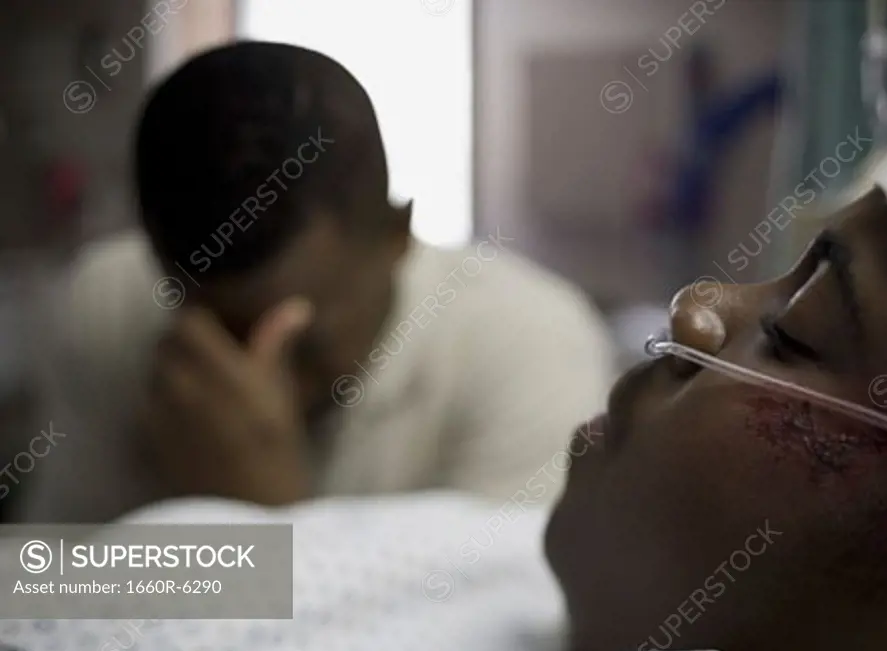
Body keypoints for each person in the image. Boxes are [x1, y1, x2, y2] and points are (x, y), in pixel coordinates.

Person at [3, 112, 887, 651]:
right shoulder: (485, 550)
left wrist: (267, 512)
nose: (700, 302)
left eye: (799, 328)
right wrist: (235, 541)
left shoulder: (517, 339)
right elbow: (42, 575)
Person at [10, 41, 616, 523]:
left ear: (396, 236)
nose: (254, 383)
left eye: (300, 339)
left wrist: (263, 520)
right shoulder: (107, 304)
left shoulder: (531, 347)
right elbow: (56, 587)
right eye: (219, 332)